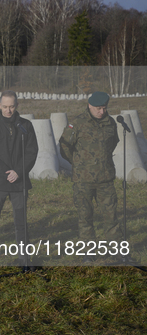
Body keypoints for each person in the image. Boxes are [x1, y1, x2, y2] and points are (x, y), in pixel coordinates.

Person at [0, 91, 38, 273]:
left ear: (17, 105)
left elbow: (31, 152)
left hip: (19, 183)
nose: (8, 110)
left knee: (21, 222)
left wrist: (18, 172)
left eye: (11, 106)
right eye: (5, 106)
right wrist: (6, 173)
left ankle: (24, 259)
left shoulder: (26, 126)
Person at [59, 91, 120, 257]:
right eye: (98, 108)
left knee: (111, 216)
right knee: (85, 217)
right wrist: (78, 163)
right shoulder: (78, 123)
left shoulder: (110, 123)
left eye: (104, 108)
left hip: (105, 178)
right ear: (90, 106)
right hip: (83, 180)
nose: (102, 112)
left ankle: (115, 251)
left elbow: (113, 143)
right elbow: (64, 146)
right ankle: (88, 251)